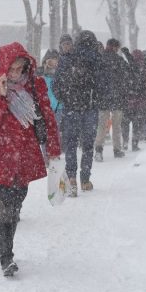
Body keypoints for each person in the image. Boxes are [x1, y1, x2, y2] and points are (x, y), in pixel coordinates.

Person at [0, 42, 61, 276]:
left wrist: (54, 149)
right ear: (3, 66)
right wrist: (1, 96)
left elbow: (48, 116)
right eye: (12, 68)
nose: (16, 73)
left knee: (15, 205)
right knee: (4, 207)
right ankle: (6, 258)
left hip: (24, 154)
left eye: (20, 68)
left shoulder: (35, 85)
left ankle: (7, 249)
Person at [53, 30, 101, 196]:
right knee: (88, 145)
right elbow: (103, 84)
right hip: (89, 108)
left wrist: (66, 98)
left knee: (71, 145)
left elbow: (55, 84)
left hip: (71, 109)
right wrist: (95, 100)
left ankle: (72, 178)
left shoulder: (66, 60)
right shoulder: (95, 58)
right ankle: (85, 180)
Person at [94, 38, 126, 161]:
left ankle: (98, 150)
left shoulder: (100, 60)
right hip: (117, 98)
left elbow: (96, 80)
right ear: (115, 47)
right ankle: (117, 149)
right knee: (117, 126)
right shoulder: (119, 60)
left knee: (102, 126)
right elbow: (125, 79)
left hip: (103, 98)